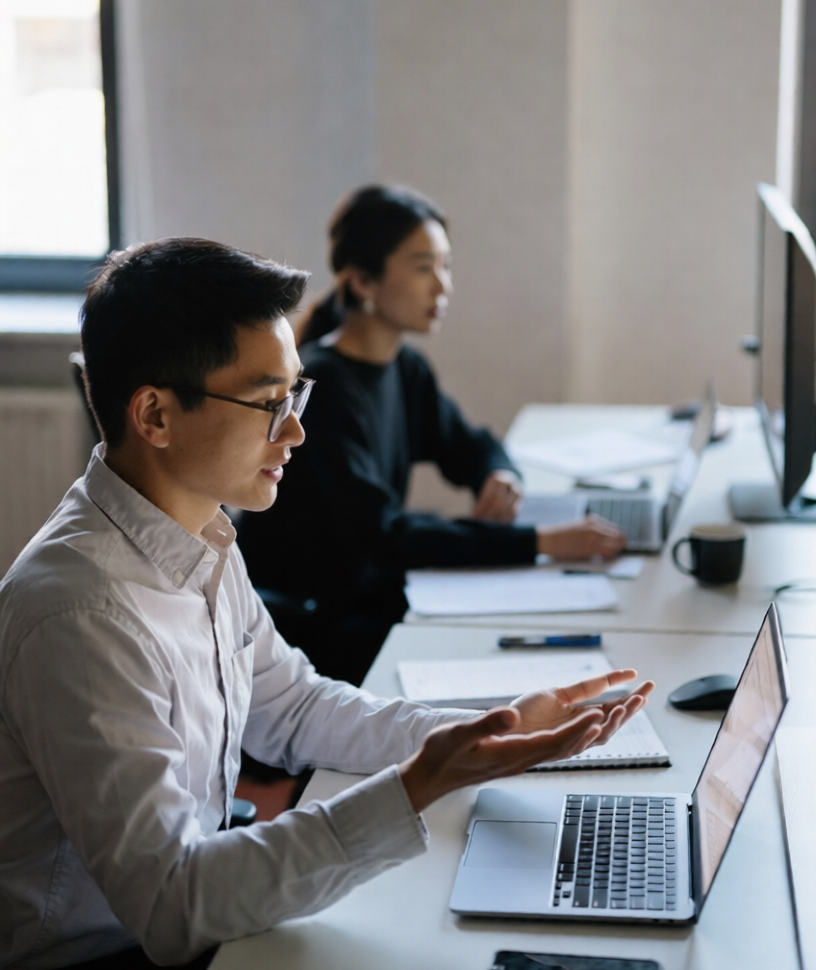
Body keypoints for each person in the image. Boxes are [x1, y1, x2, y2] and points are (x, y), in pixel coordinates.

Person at [0, 238, 653, 969]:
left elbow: (297, 710)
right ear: (154, 416)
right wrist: (416, 787)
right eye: (266, 403)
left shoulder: (201, 535)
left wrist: (482, 731)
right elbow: (171, 902)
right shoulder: (80, 614)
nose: (295, 431)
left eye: (295, 396)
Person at [237, 185, 626, 684]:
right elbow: (384, 535)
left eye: (444, 266)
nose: (442, 287)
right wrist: (538, 540)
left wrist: (499, 473)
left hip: (370, 593)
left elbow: (471, 443)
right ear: (363, 282)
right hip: (318, 623)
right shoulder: (327, 386)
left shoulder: (405, 367)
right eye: (424, 268)